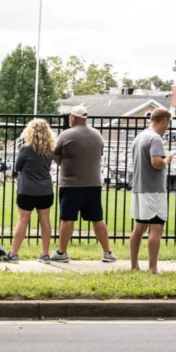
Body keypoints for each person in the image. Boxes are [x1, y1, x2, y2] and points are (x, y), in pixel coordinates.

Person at [51, 105, 116, 263]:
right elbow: (99, 154)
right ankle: (108, 252)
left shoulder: (66, 135)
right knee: (97, 218)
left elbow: (56, 156)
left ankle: (61, 252)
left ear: (73, 117)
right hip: (93, 183)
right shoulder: (97, 134)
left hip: (71, 183)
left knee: (67, 218)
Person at [130, 107, 175, 274]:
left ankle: (134, 265)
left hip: (139, 188)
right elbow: (156, 163)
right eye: (168, 123)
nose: (167, 126)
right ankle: (153, 268)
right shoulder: (155, 138)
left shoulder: (141, 136)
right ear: (163, 120)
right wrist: (167, 159)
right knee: (156, 228)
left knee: (139, 228)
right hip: (154, 190)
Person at [5, 119, 56, 263]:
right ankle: (45, 254)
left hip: (27, 189)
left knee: (23, 221)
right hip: (45, 189)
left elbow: (18, 167)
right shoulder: (51, 149)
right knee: (45, 221)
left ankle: (14, 253)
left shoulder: (26, 149)